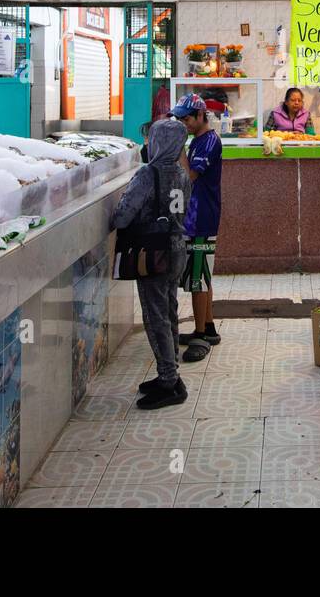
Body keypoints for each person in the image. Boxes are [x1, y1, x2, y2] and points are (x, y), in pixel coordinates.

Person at [110, 117, 191, 410]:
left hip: (154, 254)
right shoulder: (182, 173)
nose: (148, 144)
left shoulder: (148, 174)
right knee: (168, 312)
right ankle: (171, 374)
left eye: (151, 139)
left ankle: (169, 381)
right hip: (178, 250)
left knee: (155, 317)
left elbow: (122, 216)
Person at [172, 93, 223, 361]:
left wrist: (178, 148)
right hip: (198, 214)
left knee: (197, 280)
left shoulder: (208, 142)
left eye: (187, 118)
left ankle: (200, 335)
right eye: (179, 119)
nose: (184, 123)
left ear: (201, 115)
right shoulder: (200, 140)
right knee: (203, 273)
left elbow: (190, 175)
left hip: (202, 216)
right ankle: (210, 327)